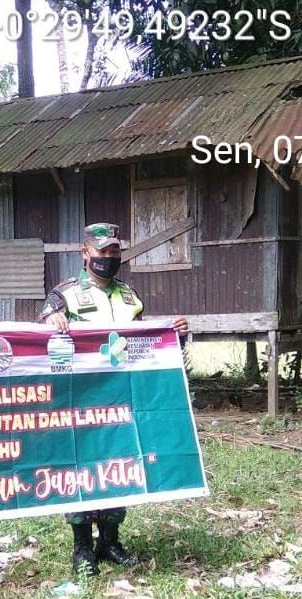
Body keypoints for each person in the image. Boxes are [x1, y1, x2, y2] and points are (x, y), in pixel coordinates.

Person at [39, 222, 189, 576]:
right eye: (101, 251)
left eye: (114, 251)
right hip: (80, 400)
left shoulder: (129, 297)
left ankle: (110, 540)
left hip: (122, 399)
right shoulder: (63, 296)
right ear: (85, 253)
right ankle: (82, 548)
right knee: (81, 469)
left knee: (120, 466)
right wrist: (53, 321)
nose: (108, 257)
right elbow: (42, 344)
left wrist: (172, 336)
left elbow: (144, 345)